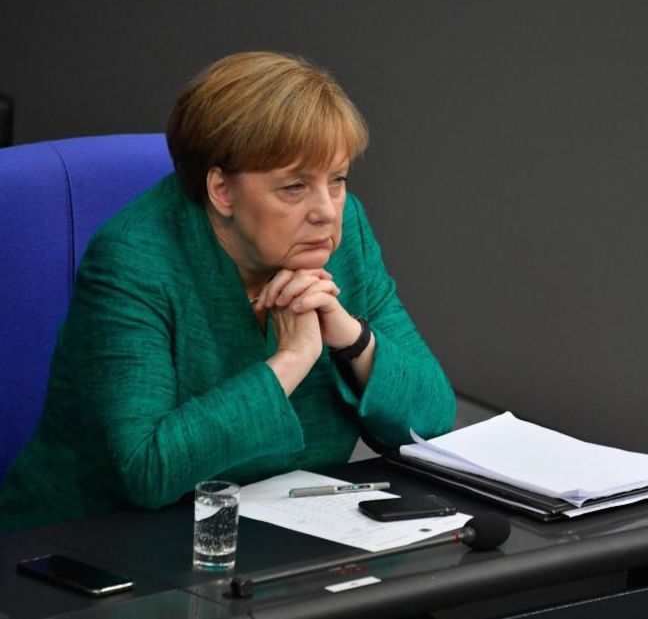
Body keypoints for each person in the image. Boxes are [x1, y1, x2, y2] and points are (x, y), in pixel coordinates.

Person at [0, 52, 456, 532]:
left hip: (282, 533)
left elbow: (433, 422)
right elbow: (147, 471)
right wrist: (292, 359)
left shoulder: (339, 239)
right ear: (221, 190)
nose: (327, 210)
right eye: (295, 187)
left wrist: (350, 337)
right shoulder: (133, 260)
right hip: (99, 551)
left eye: (337, 180)